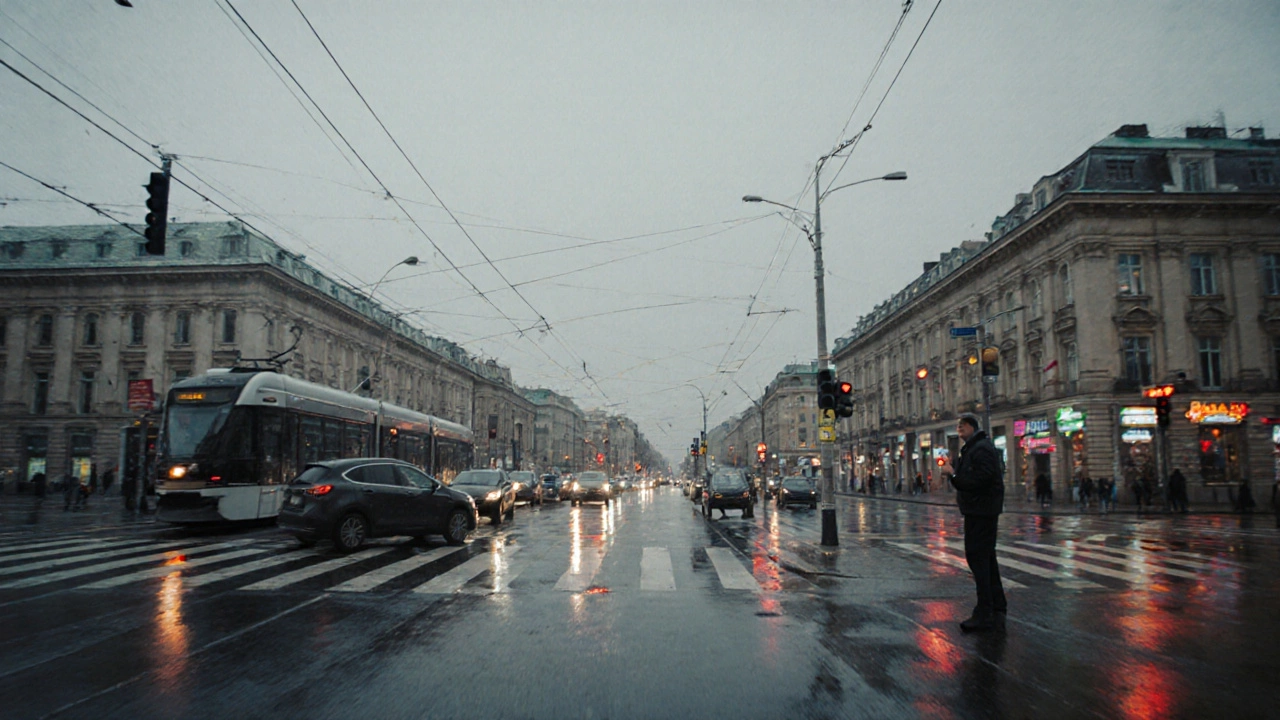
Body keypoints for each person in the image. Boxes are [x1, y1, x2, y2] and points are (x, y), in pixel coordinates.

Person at [939, 415, 1006, 633]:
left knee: (978, 558)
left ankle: (985, 612)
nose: (959, 428)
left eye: (963, 425)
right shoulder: (975, 448)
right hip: (980, 510)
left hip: (981, 510)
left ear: (972, 427)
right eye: (957, 425)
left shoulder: (981, 449)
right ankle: (996, 605)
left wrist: (953, 475)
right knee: (986, 559)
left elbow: (980, 479)